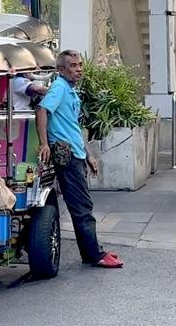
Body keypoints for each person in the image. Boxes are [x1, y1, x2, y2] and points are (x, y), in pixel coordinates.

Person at [36, 50, 123, 268]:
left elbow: (73, 127)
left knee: (82, 205)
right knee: (82, 206)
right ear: (61, 70)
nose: (79, 69)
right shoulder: (59, 88)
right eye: (73, 66)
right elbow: (42, 110)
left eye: (80, 65)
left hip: (76, 154)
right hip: (67, 157)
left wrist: (89, 155)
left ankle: (92, 252)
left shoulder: (70, 91)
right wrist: (45, 143)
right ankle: (95, 255)